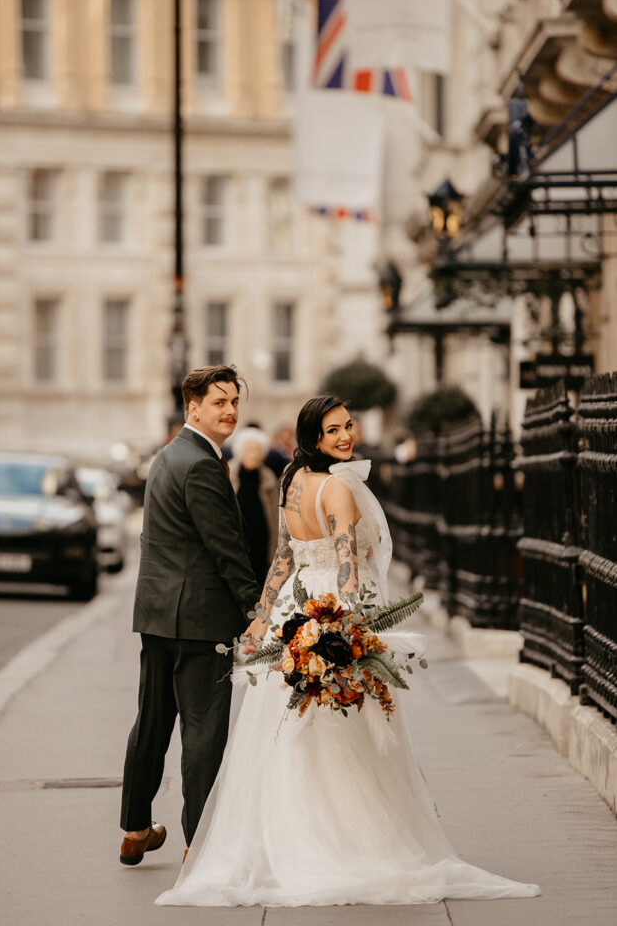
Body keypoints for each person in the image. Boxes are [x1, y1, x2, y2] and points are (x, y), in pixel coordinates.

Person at [155, 395, 540, 906]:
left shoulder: (293, 484)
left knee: (288, 734)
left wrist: (264, 618)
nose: (346, 436)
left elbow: (282, 561)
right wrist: (349, 628)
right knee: (344, 732)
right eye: (334, 429)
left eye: (349, 426)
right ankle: (345, 844)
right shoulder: (339, 488)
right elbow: (347, 568)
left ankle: (286, 840)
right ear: (314, 437)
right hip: (328, 616)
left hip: (296, 615)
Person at [119, 365, 261, 867]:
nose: (229, 410)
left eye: (234, 402)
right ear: (193, 407)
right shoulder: (201, 463)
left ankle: (135, 829)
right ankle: (198, 845)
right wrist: (255, 609)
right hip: (199, 620)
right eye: (219, 402)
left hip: (158, 614)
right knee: (202, 729)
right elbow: (225, 547)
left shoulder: (167, 455)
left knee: (152, 722)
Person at [228, 428, 279, 586]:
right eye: (250, 449)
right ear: (240, 451)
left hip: (262, 541)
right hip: (237, 542)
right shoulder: (228, 474)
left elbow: (275, 513)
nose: (255, 454)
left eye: (259, 450)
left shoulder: (268, 477)